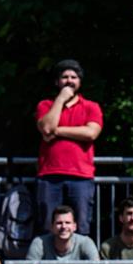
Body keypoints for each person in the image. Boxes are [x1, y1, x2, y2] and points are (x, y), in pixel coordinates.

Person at [35, 59, 103, 235]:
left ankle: (78, 256)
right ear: (57, 81)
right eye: (64, 77)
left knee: (81, 227)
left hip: (81, 176)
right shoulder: (46, 105)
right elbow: (46, 127)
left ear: (80, 82)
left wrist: (57, 131)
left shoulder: (91, 107)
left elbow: (91, 133)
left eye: (74, 77)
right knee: (48, 227)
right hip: (49, 175)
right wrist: (61, 99)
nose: (69, 81)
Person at [23, 205, 105, 264]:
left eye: (68, 223)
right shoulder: (39, 243)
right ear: (52, 227)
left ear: (74, 226)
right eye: (59, 223)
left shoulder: (85, 242)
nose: (64, 226)